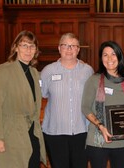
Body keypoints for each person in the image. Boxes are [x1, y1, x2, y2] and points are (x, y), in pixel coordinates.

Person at [0, 30, 46, 168]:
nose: (28, 50)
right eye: (24, 45)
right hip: (11, 134)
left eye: (32, 46)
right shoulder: (2, 71)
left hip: (32, 133)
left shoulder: (34, 73)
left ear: (36, 50)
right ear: (16, 47)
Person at [40, 33, 94, 168]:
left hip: (81, 130)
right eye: (65, 45)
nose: (69, 49)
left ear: (78, 49)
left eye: (73, 46)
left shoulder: (88, 71)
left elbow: (93, 98)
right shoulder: (48, 71)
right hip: (55, 131)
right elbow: (42, 94)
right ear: (59, 48)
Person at [81, 41, 124, 168]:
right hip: (97, 141)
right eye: (105, 55)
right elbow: (85, 107)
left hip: (122, 142)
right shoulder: (94, 80)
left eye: (113, 54)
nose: (109, 58)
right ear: (101, 58)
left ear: (119, 57)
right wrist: (101, 126)